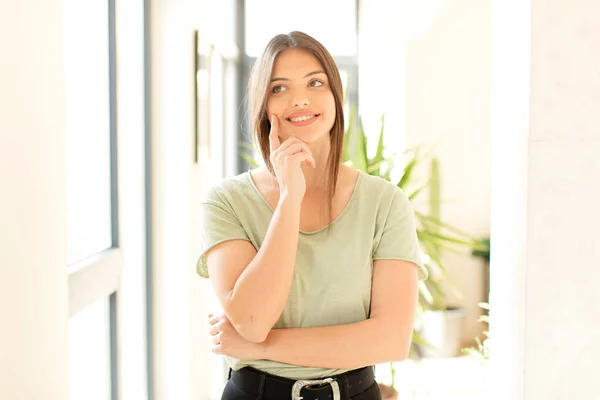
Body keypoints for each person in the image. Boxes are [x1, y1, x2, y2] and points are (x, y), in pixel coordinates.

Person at [197, 31, 428, 400]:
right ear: (262, 102)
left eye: (315, 82)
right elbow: (253, 320)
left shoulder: (384, 202)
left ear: (335, 94)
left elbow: (390, 341)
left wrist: (261, 348)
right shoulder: (226, 202)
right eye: (279, 88)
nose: (300, 98)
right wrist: (290, 197)